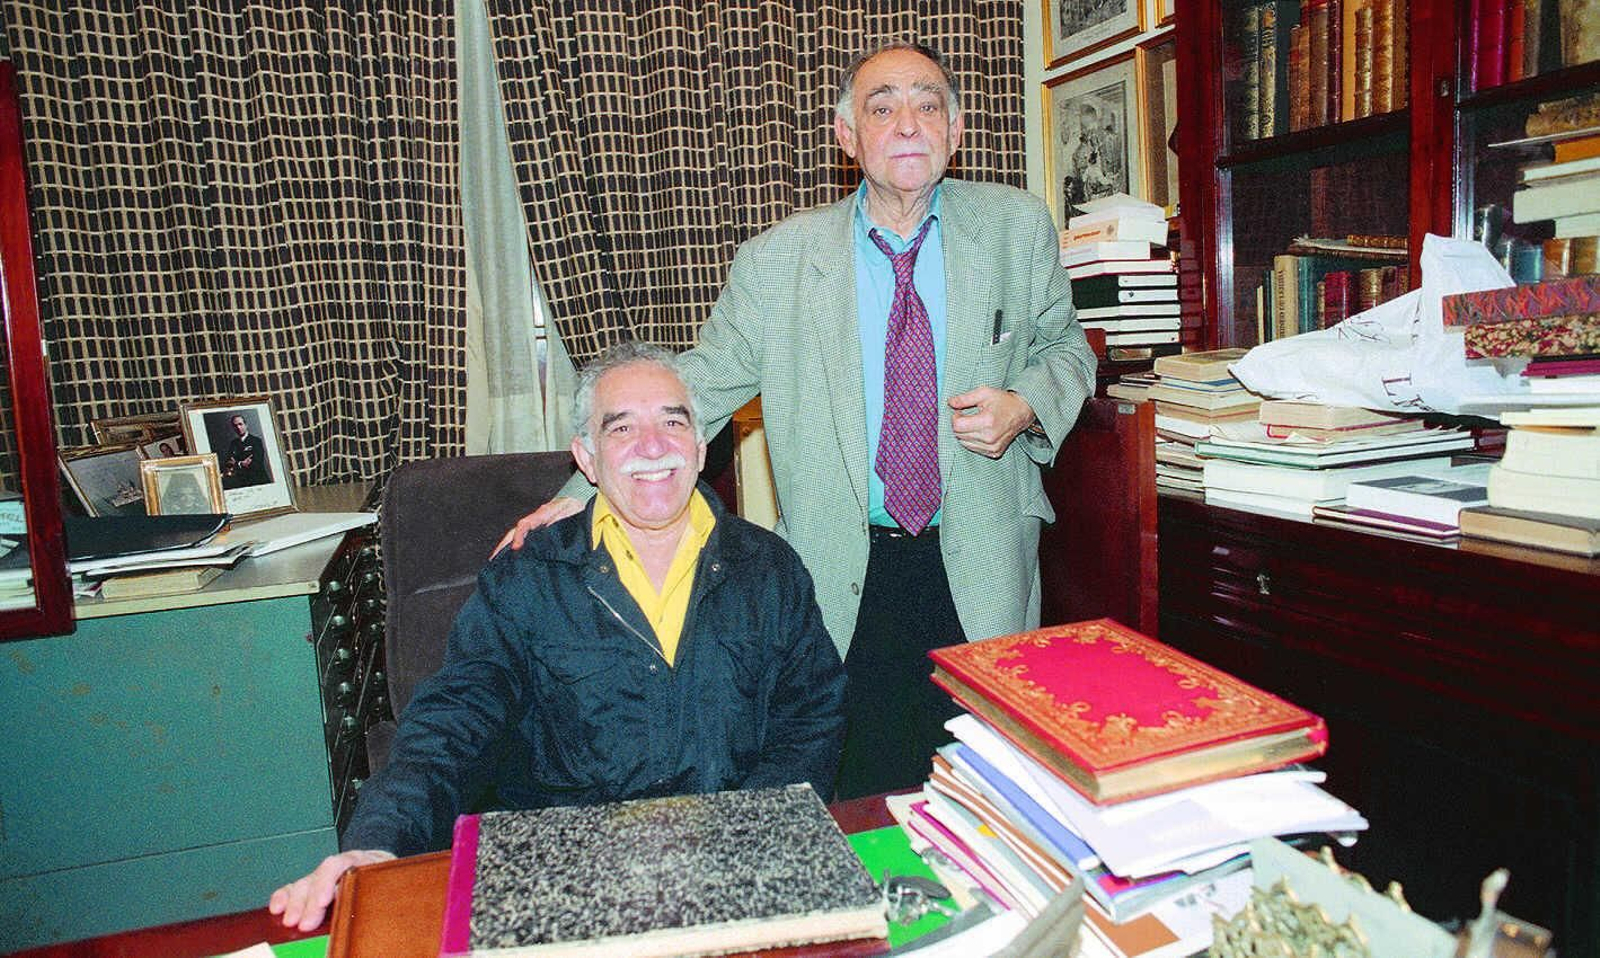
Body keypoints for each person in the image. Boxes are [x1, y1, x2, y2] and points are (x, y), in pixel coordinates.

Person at [497, 41, 1095, 800]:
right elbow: (698, 387)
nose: (906, 122)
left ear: (957, 126)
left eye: (926, 103)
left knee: (987, 792)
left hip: (981, 559)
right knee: (854, 793)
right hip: (840, 568)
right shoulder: (776, 263)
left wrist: (1028, 403)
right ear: (847, 137)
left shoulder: (1017, 227)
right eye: (882, 107)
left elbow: (1066, 348)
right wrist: (580, 493)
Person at [268, 341, 846, 931]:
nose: (654, 446)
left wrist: (752, 840)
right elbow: (453, 722)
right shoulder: (526, 577)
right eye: (621, 429)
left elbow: (810, 719)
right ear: (587, 459)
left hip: (735, 869)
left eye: (674, 422)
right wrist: (380, 842)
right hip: (569, 880)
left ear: (701, 446)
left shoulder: (769, 568)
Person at [220, 414, 270, 488]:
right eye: (235, 425)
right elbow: (228, 463)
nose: (238, 427)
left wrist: (236, 463)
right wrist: (241, 463)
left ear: (246, 425)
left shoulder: (256, 441)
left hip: (258, 481)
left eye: (240, 424)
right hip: (243, 483)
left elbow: (256, 463)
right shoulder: (233, 443)